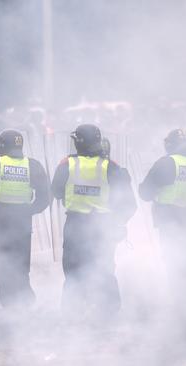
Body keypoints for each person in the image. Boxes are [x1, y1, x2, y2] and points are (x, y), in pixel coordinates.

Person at [51, 124, 137, 317]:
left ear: (78, 142)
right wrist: (117, 223)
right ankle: (107, 313)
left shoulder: (66, 164)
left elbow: (55, 191)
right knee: (103, 268)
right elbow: (129, 205)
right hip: (103, 227)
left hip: (75, 225)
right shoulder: (112, 167)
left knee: (73, 271)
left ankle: (73, 314)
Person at [0, 129, 50, 308]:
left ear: (1, 145)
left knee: (2, 264)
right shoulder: (33, 166)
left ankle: (13, 307)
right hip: (23, 224)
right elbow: (45, 197)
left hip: (0, 224)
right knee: (21, 267)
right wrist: (29, 211)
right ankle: (24, 304)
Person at [138, 129, 186, 302]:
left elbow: (145, 193)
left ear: (169, 145)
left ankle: (181, 305)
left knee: (174, 264)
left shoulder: (166, 164)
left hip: (170, 224)